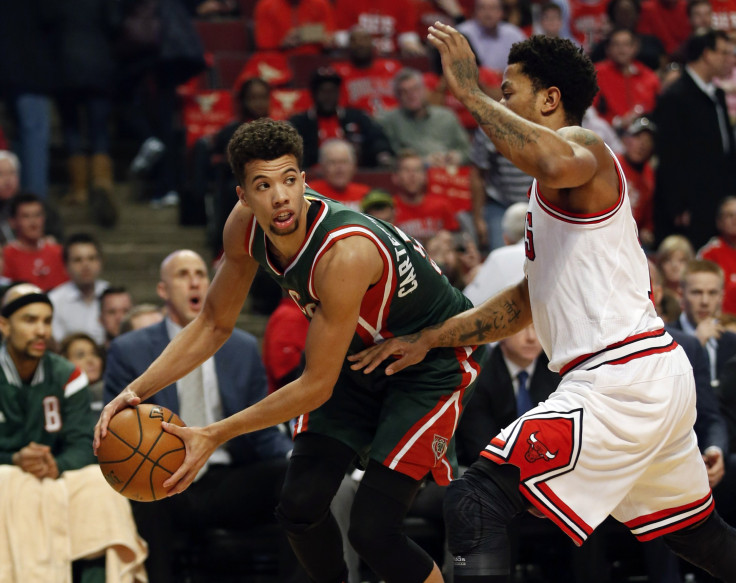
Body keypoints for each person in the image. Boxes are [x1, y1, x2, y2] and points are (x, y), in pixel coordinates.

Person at [349, 24, 736, 581]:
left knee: (475, 499)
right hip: (646, 373)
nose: (500, 100)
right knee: (702, 539)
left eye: (509, 91)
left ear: (550, 99)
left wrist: (469, 92)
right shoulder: (549, 186)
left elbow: (554, 161)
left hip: (620, 378)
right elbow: (529, 300)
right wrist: (430, 338)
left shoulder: (584, 147)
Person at [95, 118, 485, 583]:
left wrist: (215, 433)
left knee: (373, 531)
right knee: (298, 507)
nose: (279, 196)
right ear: (243, 196)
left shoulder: (345, 253)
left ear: (304, 181)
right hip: (358, 355)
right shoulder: (244, 229)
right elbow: (214, 323)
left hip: (427, 365)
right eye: (263, 185)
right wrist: (135, 391)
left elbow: (316, 385)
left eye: (289, 180)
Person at [103, 249, 306, 583]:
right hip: (162, 477)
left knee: (293, 476)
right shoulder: (130, 349)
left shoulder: (242, 346)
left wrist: (293, 455)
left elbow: (260, 428)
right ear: (163, 290)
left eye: (200, 273)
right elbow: (117, 429)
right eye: (183, 274)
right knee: (144, 494)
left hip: (225, 477)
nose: (195, 280)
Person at [0, 283, 147, 582]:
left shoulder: (68, 374)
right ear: (4, 325)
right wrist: (14, 457)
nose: (41, 330)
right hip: (7, 469)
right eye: (30, 320)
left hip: (57, 471)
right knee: (8, 481)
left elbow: (84, 441)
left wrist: (57, 465)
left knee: (100, 485)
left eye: (46, 321)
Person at [653, 29, 736, 249]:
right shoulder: (676, 96)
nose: (731, 59)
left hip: (717, 199)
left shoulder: (716, 94)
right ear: (707, 54)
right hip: (690, 208)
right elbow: (669, 155)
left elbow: (725, 148)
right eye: (725, 53)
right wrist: (678, 206)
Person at [289, 67, 394, 169]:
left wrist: (382, 154)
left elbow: (377, 139)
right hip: (311, 180)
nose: (328, 97)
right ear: (314, 94)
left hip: (355, 176)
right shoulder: (300, 123)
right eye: (323, 91)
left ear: (339, 93)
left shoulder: (357, 118)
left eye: (332, 91)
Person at [378, 68, 471, 167]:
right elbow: (384, 160)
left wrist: (459, 157)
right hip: (412, 176)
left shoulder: (447, 116)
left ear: (424, 90)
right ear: (397, 97)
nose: (411, 95)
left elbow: (469, 150)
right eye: (404, 92)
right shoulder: (389, 121)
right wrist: (423, 163)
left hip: (447, 173)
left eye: (415, 89)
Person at [671, 259, 736, 386]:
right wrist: (696, 344)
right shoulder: (666, 338)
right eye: (697, 292)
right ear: (681, 295)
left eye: (712, 293)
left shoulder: (733, 343)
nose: (705, 301)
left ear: (721, 297)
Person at [48, 233, 109, 345]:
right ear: (66, 266)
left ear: (100, 262)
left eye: (91, 258)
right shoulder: (55, 301)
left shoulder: (111, 295)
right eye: (78, 260)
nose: (86, 265)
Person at [2, 193, 68, 291]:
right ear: (13, 222)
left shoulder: (59, 252)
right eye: (26, 216)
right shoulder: (6, 256)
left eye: (37, 215)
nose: (33, 222)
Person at [457, 0, 527, 73]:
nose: (488, 14)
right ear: (474, 11)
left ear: (502, 12)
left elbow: (525, 65)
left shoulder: (514, 34)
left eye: (493, 8)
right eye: (482, 8)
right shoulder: (461, 34)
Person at [307, 139, 372, 211]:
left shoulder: (365, 195)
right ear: (322, 167)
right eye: (333, 162)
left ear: (353, 166)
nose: (339, 169)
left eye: (344, 162)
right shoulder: (310, 194)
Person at [699, 196, 736, 317]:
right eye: (729, 215)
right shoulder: (709, 253)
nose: (734, 219)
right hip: (721, 320)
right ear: (719, 222)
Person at [59, 331, 106, 412]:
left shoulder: (116, 394)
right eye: (80, 355)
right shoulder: (59, 402)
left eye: (94, 354)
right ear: (64, 362)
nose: (90, 360)